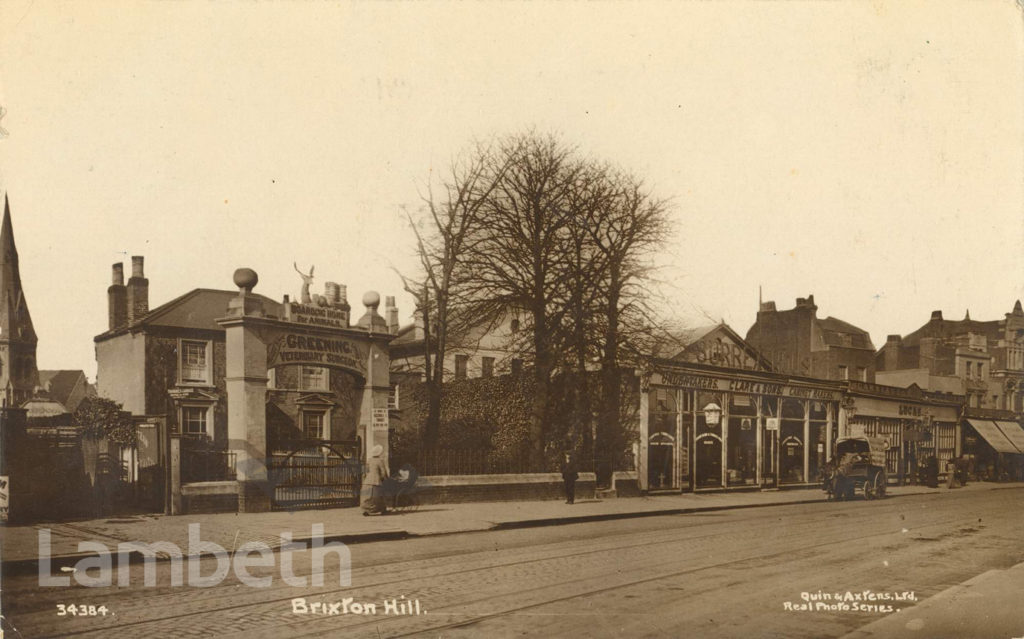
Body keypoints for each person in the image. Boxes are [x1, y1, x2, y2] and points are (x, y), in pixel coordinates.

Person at [362, 444, 390, 516]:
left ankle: (366, 510)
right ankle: (382, 510)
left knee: (367, 496)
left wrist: (365, 478)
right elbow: (383, 472)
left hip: (368, 480)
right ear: (379, 453)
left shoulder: (369, 460)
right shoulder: (380, 461)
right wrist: (385, 478)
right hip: (376, 480)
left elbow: (365, 471)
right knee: (379, 495)